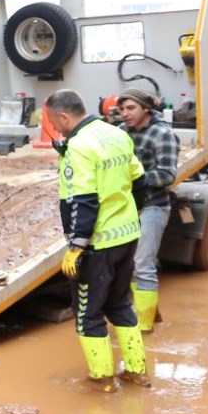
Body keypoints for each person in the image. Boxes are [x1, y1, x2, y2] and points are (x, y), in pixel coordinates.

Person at [45, 89, 149, 391]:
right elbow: (139, 180)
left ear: (64, 116)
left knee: (87, 314)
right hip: (127, 235)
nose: (55, 128)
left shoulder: (79, 147)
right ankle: (136, 371)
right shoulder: (115, 134)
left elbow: (84, 199)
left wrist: (77, 246)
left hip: (98, 244)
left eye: (54, 122)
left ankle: (102, 380)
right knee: (119, 303)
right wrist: (131, 214)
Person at [117, 87, 178, 333]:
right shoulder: (120, 133)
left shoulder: (163, 135)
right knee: (128, 265)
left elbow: (167, 174)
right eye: (122, 109)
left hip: (153, 206)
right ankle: (150, 311)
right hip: (126, 207)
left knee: (143, 264)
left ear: (146, 108)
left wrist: (133, 179)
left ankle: (144, 326)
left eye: (131, 108)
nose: (125, 113)